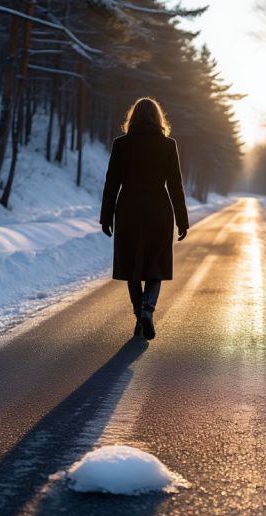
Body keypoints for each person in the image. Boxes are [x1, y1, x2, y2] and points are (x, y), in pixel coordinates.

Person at [100, 97, 189, 340]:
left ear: (133, 117)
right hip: (159, 209)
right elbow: (175, 186)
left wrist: (105, 216)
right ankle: (148, 310)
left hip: (128, 209)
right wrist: (182, 219)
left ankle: (139, 311)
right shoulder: (168, 145)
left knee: (132, 266)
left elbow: (112, 183)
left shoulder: (121, 145)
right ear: (158, 118)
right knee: (155, 266)